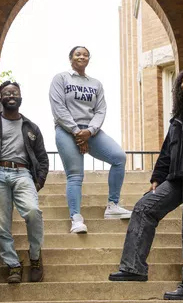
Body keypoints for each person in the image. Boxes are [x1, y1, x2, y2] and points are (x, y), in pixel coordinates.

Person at [108, 68, 183, 301]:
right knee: (144, 208)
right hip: (175, 178)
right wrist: (157, 177)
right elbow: (167, 149)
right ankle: (133, 267)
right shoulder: (178, 116)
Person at [49, 46, 132, 234]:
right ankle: (76, 219)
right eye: (78, 54)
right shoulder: (61, 78)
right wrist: (77, 132)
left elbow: (101, 110)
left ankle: (112, 206)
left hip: (92, 132)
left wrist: (90, 131)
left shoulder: (95, 83)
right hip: (66, 131)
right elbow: (58, 108)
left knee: (119, 157)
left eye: (85, 54)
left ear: (89, 59)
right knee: (75, 175)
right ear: (70, 58)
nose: (82, 56)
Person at [0, 80, 49, 284]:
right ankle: (13, 265)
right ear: (1, 98)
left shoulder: (31, 127)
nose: (11, 95)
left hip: (23, 174)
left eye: (15, 92)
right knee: (1, 224)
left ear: (21, 97)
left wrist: (39, 181)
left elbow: (42, 158)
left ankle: (34, 257)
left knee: (33, 212)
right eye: (7, 93)